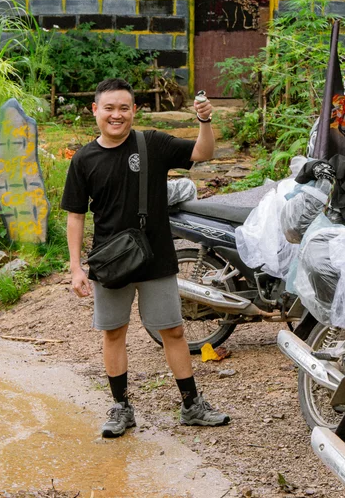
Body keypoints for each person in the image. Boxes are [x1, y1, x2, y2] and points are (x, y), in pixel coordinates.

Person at [62, 77, 231, 438]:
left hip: (155, 257)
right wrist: (76, 267)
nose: (116, 115)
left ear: (134, 111)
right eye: (109, 108)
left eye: (124, 108)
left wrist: (204, 121)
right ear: (95, 110)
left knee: (172, 330)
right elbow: (75, 215)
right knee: (113, 334)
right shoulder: (83, 159)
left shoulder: (151, 143)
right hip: (111, 261)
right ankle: (121, 408)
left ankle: (191, 404)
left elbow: (203, 153)